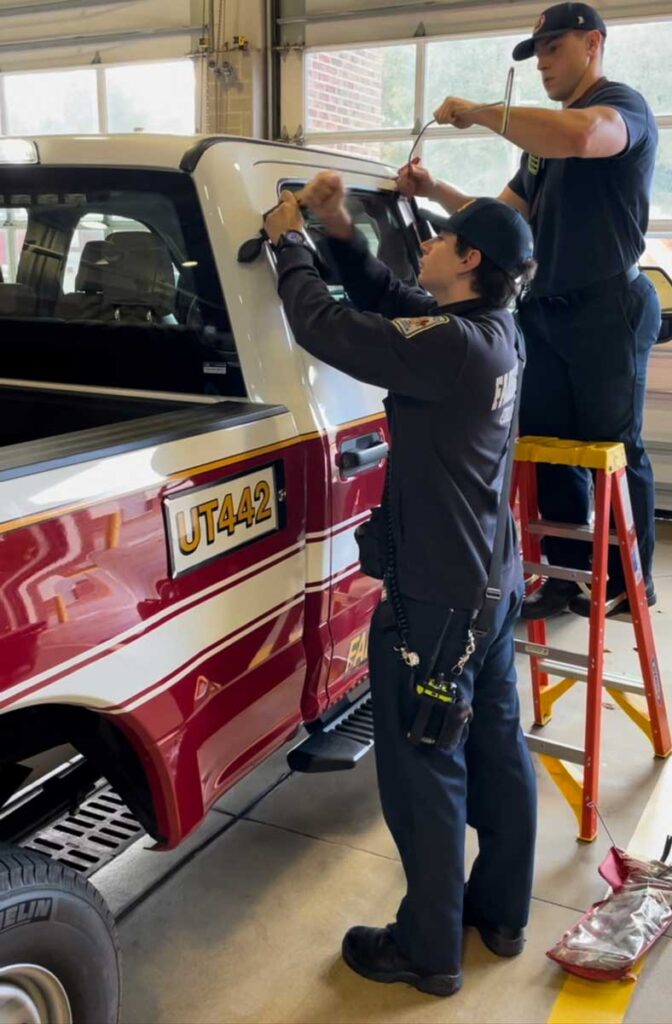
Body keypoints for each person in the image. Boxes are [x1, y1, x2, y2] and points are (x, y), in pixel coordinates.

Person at [263, 172, 537, 997]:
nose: (429, 240)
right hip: (490, 579)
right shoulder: (494, 330)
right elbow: (390, 301)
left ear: (472, 256)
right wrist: (342, 230)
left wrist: (289, 244)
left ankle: (427, 949)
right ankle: (501, 913)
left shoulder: (451, 347)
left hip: (436, 598)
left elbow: (328, 327)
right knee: (495, 747)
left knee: (423, 765)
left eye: (444, 235)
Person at [398, 1, 661, 620]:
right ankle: (570, 577)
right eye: (537, 53)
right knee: (547, 447)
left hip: (608, 309)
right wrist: (435, 190)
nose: (543, 62)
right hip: (545, 310)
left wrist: (484, 114)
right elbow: (503, 219)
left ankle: (630, 580)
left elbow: (584, 135)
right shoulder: (539, 150)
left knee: (614, 446)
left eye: (554, 49)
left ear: (592, 44)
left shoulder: (622, 109)